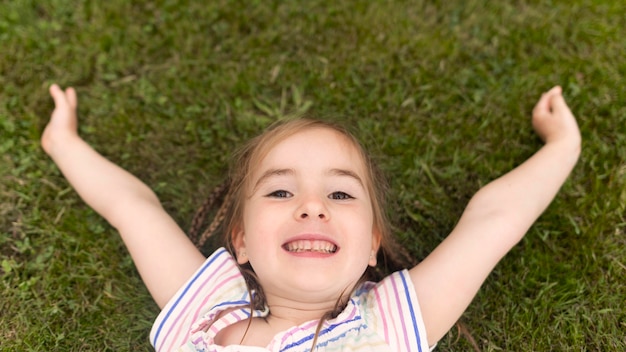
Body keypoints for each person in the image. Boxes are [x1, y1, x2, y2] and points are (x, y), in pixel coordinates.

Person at [42, 83, 581, 351]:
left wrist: (562, 148)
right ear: (242, 243)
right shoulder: (209, 305)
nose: (312, 205)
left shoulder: (385, 324)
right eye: (279, 191)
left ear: (371, 247)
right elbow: (133, 210)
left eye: (341, 196)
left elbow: (494, 221)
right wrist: (63, 143)